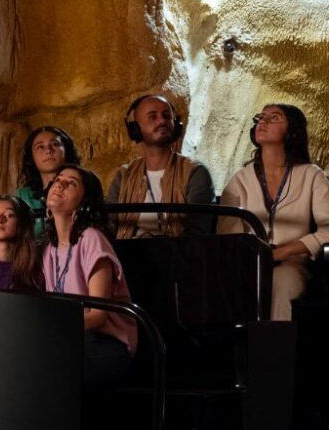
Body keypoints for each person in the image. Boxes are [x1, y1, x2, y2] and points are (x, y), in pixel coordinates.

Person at [218, 103, 329, 321]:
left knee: (280, 284)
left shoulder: (311, 176)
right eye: (261, 116)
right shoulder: (239, 180)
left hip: (291, 266)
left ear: (292, 132)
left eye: (274, 117)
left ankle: (274, 352)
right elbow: (227, 239)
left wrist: (283, 252)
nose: (264, 121)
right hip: (248, 267)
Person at [43, 164, 137, 386]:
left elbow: (98, 315)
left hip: (106, 344)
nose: (60, 184)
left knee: (45, 363)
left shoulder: (92, 239)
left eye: (71, 183)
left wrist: (52, 330)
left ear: (84, 203)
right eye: (58, 179)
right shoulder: (49, 249)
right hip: (70, 339)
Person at [106, 94, 215, 238]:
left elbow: (196, 233)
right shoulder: (124, 176)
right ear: (135, 129)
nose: (162, 121)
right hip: (127, 257)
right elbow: (107, 227)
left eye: (166, 116)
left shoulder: (195, 172)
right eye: (152, 116)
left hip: (178, 256)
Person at [13, 126, 81, 238]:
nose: (49, 151)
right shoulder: (22, 197)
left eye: (55, 144)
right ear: (31, 157)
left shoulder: (85, 188)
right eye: (40, 147)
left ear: (66, 150)